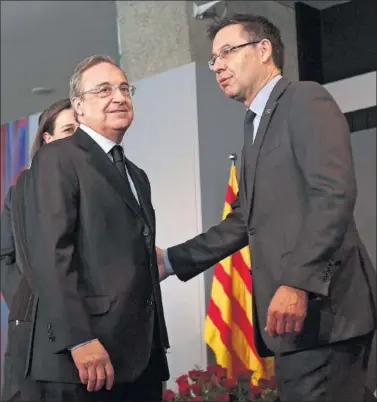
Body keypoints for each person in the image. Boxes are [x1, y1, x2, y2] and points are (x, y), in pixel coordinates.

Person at [157, 14, 377, 401]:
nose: (218, 66)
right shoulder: (253, 125)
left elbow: (333, 193)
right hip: (296, 328)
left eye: (227, 51)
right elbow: (244, 220)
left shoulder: (305, 99)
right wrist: (173, 260)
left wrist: (297, 282)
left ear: (264, 50)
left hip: (326, 315)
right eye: (213, 59)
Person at [15, 55, 170, 401]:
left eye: (124, 88)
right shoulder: (57, 159)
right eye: (103, 89)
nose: (118, 97)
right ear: (79, 106)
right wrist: (79, 338)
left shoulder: (136, 175)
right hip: (84, 360)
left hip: (139, 357)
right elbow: (51, 254)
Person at [1, 98, 78, 401]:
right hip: (32, 333)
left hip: (84, 337)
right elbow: (4, 254)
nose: (75, 138)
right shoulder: (20, 191)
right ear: (47, 139)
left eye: (80, 130)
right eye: (68, 129)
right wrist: (26, 296)